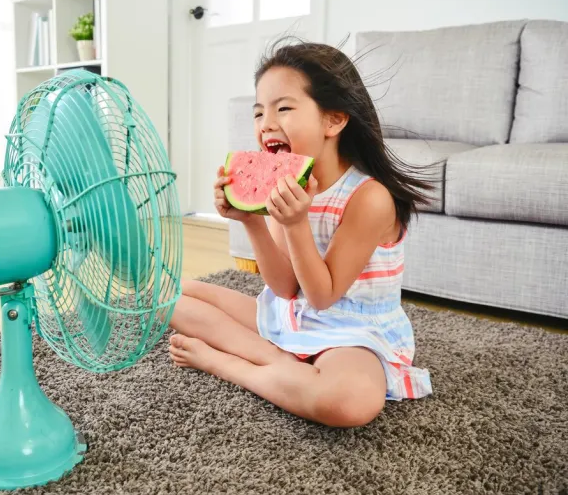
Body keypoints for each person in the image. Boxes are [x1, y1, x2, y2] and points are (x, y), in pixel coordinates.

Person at [168, 38, 434, 428]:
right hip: (293, 313)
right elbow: (285, 289)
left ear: (334, 120)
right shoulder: (285, 179)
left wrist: (295, 224)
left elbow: (323, 296)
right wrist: (252, 220)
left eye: (284, 109)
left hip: (352, 332)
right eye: (259, 113)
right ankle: (283, 363)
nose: (266, 124)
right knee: (169, 298)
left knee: (349, 402)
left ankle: (233, 363)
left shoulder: (370, 198)